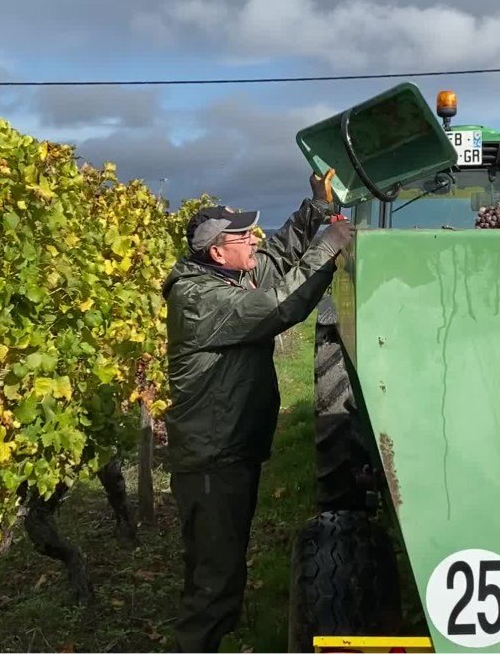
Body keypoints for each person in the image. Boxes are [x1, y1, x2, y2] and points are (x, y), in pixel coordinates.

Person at [161, 171, 354, 652]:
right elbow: (278, 305)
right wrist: (328, 246)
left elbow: (276, 258)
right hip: (211, 460)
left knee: (221, 567)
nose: (253, 240)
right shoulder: (199, 298)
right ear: (216, 251)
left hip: (228, 451)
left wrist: (313, 211)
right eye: (242, 236)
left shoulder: (226, 274)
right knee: (214, 582)